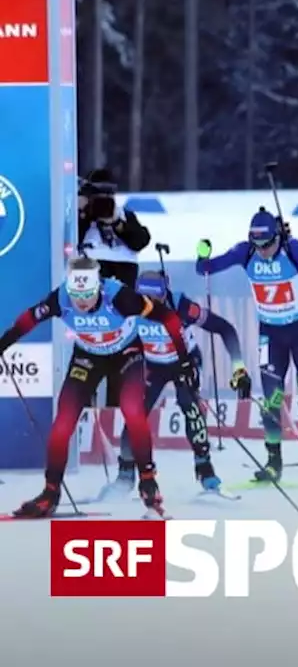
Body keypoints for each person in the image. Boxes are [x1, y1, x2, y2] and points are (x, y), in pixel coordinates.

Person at [0, 257, 195, 518]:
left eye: (88, 297)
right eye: (76, 296)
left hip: (127, 353)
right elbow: (26, 321)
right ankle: (50, 493)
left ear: (99, 289)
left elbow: (169, 318)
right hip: (89, 355)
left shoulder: (121, 298)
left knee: (133, 412)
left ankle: (148, 483)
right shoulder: (61, 298)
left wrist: (184, 360)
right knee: (63, 423)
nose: (81, 303)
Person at [195, 208, 298, 483]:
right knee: (271, 399)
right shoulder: (245, 252)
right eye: (257, 244)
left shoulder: (294, 250)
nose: (262, 251)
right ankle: (273, 462)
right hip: (270, 334)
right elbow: (204, 269)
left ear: (278, 238)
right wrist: (203, 253)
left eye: (267, 244)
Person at [100, 269, 251, 498]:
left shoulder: (182, 306)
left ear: (165, 293)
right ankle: (125, 476)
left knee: (190, 408)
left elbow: (225, 329)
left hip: (184, 362)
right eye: (145, 299)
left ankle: (205, 470)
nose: (150, 305)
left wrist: (238, 367)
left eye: (156, 300)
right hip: (152, 365)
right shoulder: (128, 305)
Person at [77, 168, 151, 413]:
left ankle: (115, 424)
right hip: (90, 311)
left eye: (108, 195)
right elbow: (66, 241)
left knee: (119, 377)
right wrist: (83, 212)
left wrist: (116, 223)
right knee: (86, 373)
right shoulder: (82, 220)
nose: (103, 203)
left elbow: (141, 240)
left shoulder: (124, 215)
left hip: (121, 315)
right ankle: (86, 426)